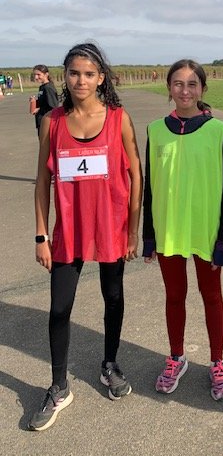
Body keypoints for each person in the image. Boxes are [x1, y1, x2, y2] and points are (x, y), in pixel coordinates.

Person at [30, 43, 143, 431]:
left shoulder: (118, 118)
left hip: (111, 228)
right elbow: (42, 180)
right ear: (64, 75)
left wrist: (132, 230)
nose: (81, 80)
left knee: (113, 297)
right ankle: (59, 387)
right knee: (59, 309)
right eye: (74, 73)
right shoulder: (52, 121)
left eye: (89, 74)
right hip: (69, 231)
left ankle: (109, 364)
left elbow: (136, 174)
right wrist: (41, 235)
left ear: (101, 78)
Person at [142, 59, 223, 401]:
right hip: (169, 231)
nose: (185, 90)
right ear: (169, 88)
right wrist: (148, 236)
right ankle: (176, 357)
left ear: (202, 89)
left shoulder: (218, 131)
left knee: (212, 296)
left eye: (192, 84)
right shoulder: (155, 130)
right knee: (174, 296)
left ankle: (217, 362)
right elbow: (150, 185)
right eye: (178, 83)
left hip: (205, 232)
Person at [32, 65, 59, 135]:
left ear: (46, 74)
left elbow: (53, 107)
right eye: (35, 75)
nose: (36, 77)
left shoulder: (48, 88)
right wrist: (35, 101)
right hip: (41, 121)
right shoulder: (42, 87)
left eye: (38, 75)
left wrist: (39, 109)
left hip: (47, 122)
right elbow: (44, 102)